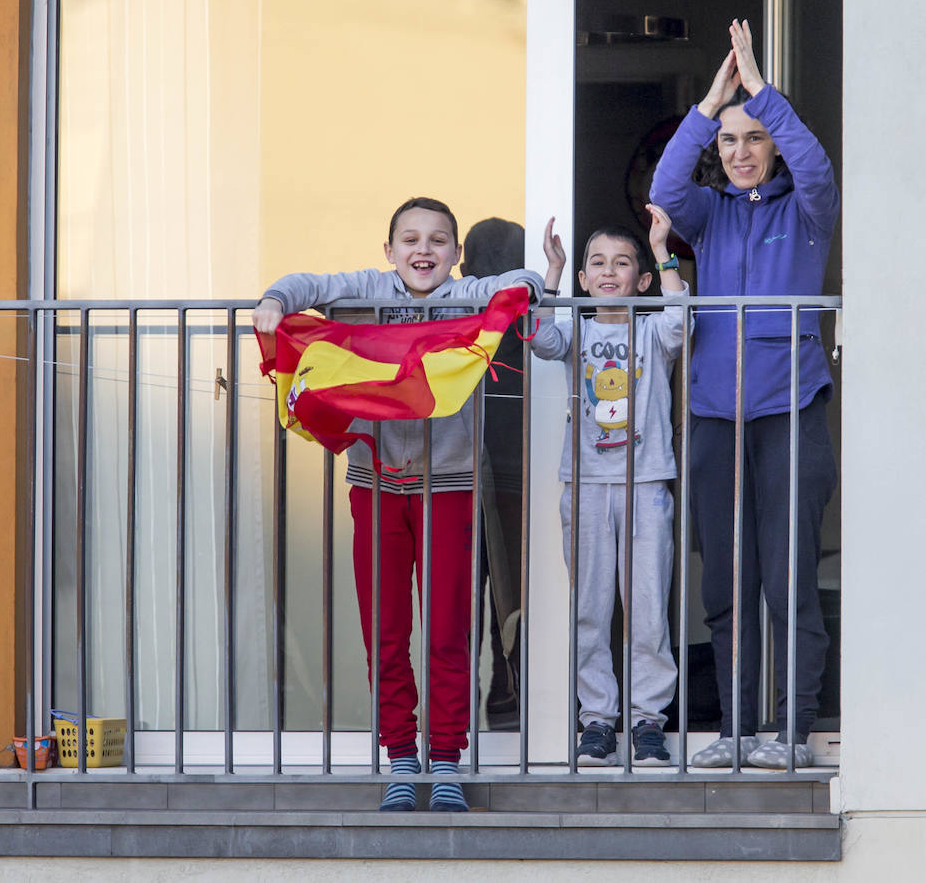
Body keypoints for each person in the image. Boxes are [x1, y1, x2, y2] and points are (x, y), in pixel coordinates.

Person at [253, 197, 547, 811]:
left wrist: (532, 284)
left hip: (451, 487)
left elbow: (519, 282)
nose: (423, 250)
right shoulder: (364, 290)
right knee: (385, 629)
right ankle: (401, 757)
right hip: (377, 488)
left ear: (456, 255)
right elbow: (307, 282)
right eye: (410, 239)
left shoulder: (468, 296)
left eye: (439, 240)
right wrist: (276, 301)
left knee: (447, 629)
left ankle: (445, 758)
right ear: (387, 251)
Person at [648, 20, 839, 769]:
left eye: (753, 138)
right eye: (728, 142)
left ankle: (790, 734)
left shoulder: (806, 211)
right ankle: (735, 731)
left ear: (772, 145)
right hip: (713, 416)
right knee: (727, 585)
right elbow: (665, 188)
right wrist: (711, 103)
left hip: (789, 411)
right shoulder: (709, 212)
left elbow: (817, 168)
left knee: (789, 580)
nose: (740, 152)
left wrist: (761, 90)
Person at [530, 212, 688, 766]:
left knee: (646, 608)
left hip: (644, 484)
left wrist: (661, 250)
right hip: (587, 483)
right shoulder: (576, 327)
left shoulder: (650, 332)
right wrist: (550, 273)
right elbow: (539, 338)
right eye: (596, 262)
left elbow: (680, 322)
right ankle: (597, 720)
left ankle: (648, 719)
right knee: (591, 609)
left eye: (622, 264)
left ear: (640, 281)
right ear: (583, 279)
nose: (608, 272)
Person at [459, 217, 526, 728]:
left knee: (495, 602)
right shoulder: (460, 315)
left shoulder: (525, 320)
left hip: (502, 475)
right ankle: (486, 711)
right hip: (468, 474)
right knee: (490, 602)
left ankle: (487, 714)